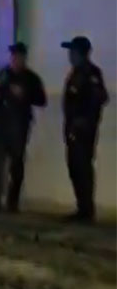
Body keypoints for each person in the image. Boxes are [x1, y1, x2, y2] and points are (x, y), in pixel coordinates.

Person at [0, 42, 46, 213]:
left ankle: (12, 202)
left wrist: (24, 94)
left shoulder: (31, 78)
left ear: (24, 58)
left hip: (18, 129)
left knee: (16, 168)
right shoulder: (2, 75)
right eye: (13, 56)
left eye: (18, 56)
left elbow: (41, 100)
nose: (15, 59)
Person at [61, 36, 109, 223]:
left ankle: (86, 210)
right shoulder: (76, 73)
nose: (70, 55)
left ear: (82, 54)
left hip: (83, 132)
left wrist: (84, 121)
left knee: (82, 167)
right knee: (74, 167)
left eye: (72, 51)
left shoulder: (91, 73)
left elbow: (101, 97)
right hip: (72, 130)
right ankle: (82, 207)